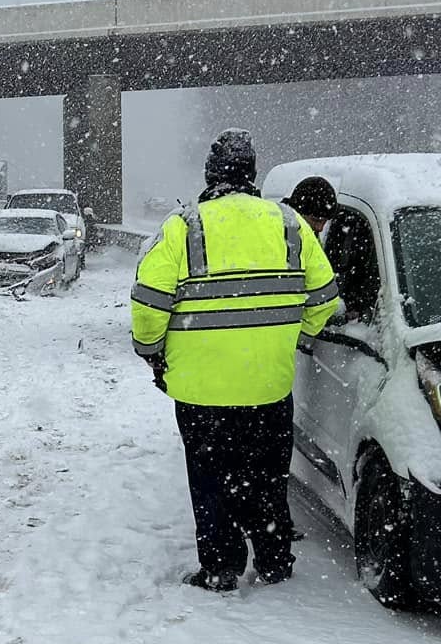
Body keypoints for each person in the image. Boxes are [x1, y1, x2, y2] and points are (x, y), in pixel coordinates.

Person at [130, 131, 341, 591]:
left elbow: (148, 304)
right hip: (269, 386)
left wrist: (151, 351)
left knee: (211, 483)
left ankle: (222, 568)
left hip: (200, 393)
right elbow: (325, 300)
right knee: (267, 479)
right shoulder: (289, 223)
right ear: (252, 175)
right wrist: (293, 336)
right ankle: (274, 561)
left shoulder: (184, 226)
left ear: (210, 175)